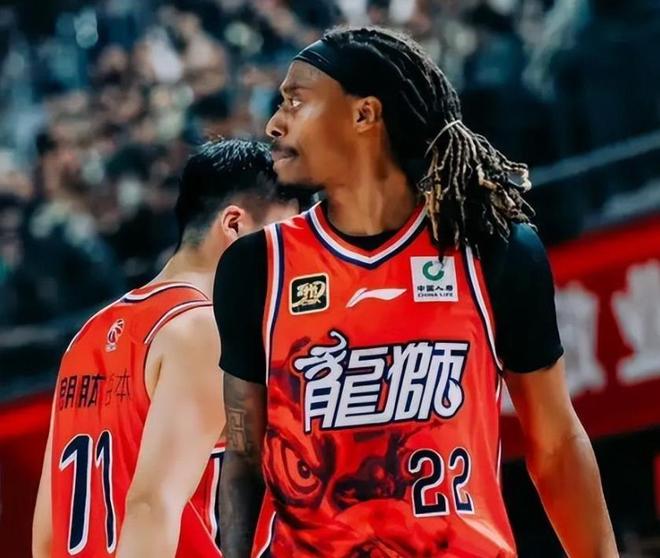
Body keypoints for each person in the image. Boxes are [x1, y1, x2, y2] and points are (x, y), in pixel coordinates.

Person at [214, 27, 617, 557]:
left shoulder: (489, 250)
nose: (274, 124)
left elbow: (556, 444)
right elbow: (243, 458)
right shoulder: (257, 266)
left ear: (364, 114)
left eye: (295, 101)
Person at [32, 139, 298, 558]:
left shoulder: (86, 336)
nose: (291, 261)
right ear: (234, 225)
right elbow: (152, 505)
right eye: (284, 238)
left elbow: (49, 533)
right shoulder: (205, 330)